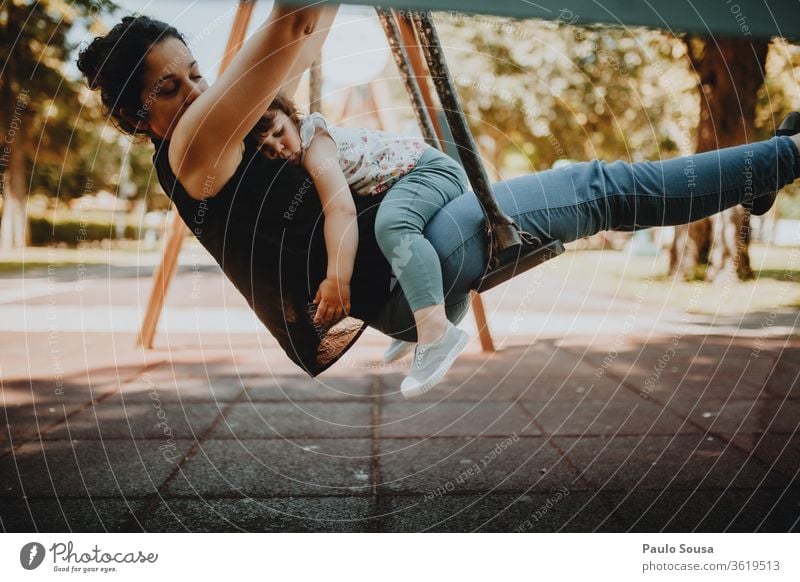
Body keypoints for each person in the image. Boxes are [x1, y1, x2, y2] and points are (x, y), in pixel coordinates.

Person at [76, 4, 800, 389]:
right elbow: (292, 23)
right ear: (140, 118)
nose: (197, 91)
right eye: (171, 87)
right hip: (407, 262)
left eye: (196, 71)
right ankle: (784, 157)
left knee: (594, 201)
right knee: (598, 186)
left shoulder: (224, 135)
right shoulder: (191, 148)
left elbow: (305, 33)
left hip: (404, 275)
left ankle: (756, 176)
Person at [251, 93, 469, 397]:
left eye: (279, 133)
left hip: (430, 171)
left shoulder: (315, 145)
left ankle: (436, 334)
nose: (279, 148)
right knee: (384, 236)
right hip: (403, 182)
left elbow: (340, 210)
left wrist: (336, 278)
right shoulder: (301, 153)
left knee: (393, 224)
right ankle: (421, 320)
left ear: (292, 117)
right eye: (267, 149)